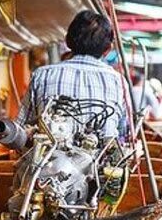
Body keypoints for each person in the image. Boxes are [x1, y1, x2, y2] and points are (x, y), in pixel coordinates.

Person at [16, 10, 126, 138]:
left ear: (67, 41)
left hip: (47, 157)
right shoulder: (118, 81)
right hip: (102, 157)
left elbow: (19, 131)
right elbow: (122, 130)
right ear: (107, 49)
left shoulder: (42, 75)